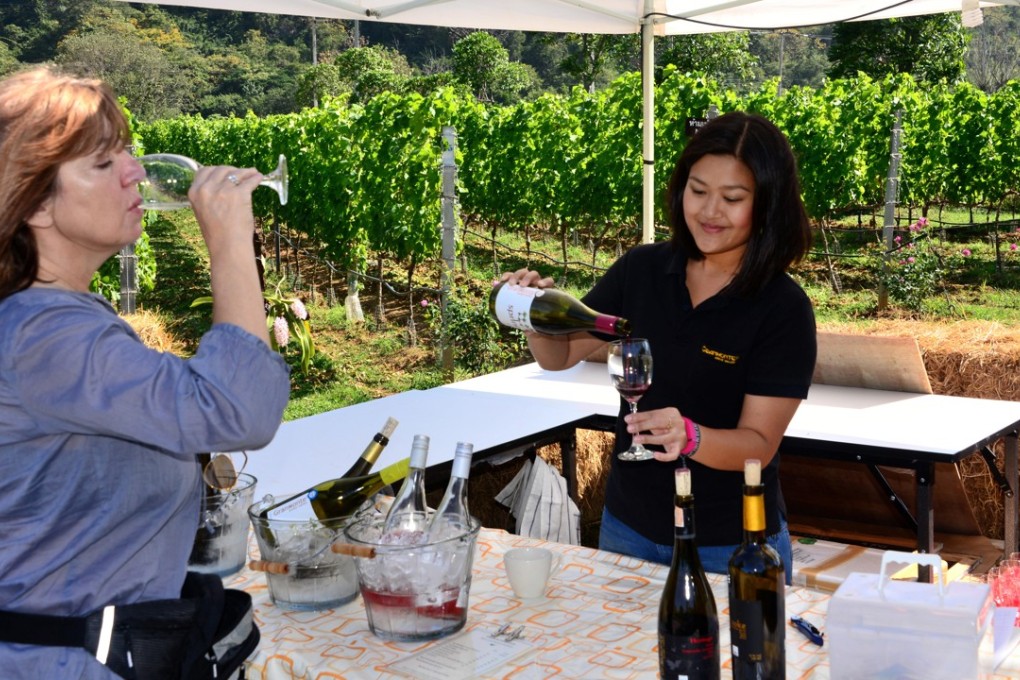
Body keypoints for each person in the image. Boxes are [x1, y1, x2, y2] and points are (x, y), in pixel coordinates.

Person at [0, 66, 290, 677]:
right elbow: (237, 409)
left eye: (126, 152)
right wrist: (232, 240)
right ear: (36, 205)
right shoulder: (44, 334)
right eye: (103, 164)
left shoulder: (52, 319)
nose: (135, 170)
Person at [501, 111, 816, 582]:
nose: (709, 212)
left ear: (768, 205)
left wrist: (690, 435)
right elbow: (560, 354)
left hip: (730, 544)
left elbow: (758, 446)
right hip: (629, 529)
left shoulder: (781, 307)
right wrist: (528, 312)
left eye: (732, 198)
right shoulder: (643, 270)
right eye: (698, 190)